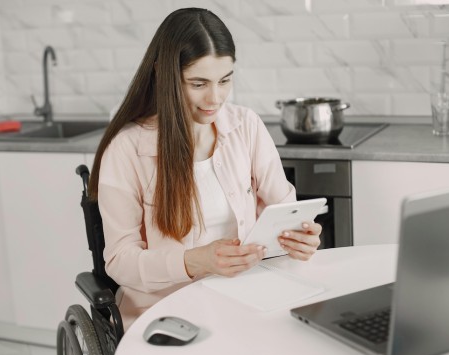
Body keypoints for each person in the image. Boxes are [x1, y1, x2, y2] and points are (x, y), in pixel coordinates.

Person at [88, 8, 323, 329]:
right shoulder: (127, 148)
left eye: (224, 80)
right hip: (167, 309)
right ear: (163, 75)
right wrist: (194, 261)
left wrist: (300, 236)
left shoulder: (246, 126)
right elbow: (120, 262)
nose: (215, 98)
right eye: (198, 83)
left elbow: (286, 209)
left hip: (248, 294)